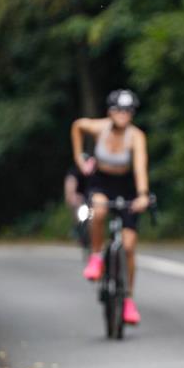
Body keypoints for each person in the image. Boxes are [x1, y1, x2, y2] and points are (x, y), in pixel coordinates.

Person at [70, 89, 150, 325]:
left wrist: (143, 194)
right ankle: (96, 256)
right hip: (101, 182)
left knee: (128, 245)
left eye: (128, 110)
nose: (123, 114)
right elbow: (77, 126)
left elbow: (140, 168)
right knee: (99, 209)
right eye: (118, 110)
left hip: (127, 187)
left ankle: (127, 300)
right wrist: (79, 159)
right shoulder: (99, 128)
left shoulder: (136, 136)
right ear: (110, 111)